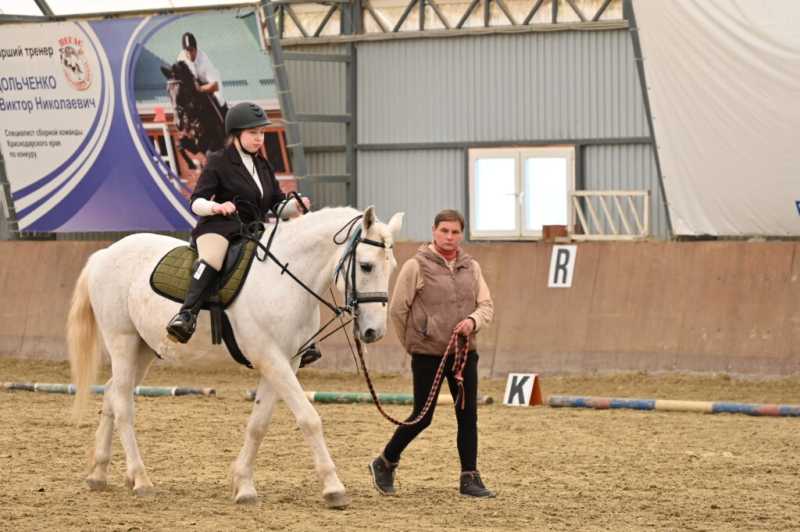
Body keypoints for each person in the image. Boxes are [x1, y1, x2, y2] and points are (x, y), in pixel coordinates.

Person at [368, 209, 495, 498]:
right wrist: (415, 343)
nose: (449, 237)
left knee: (467, 415)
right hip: (427, 355)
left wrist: (473, 321)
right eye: (444, 231)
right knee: (422, 416)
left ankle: (469, 477)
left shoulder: (471, 267)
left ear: (461, 234)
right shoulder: (416, 266)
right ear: (434, 231)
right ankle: (385, 461)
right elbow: (399, 310)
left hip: (464, 354)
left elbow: (486, 305)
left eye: (455, 232)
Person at [166, 101, 312, 349]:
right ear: (237, 134)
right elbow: (196, 201)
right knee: (212, 258)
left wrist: (294, 206)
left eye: (262, 133)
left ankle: (297, 334)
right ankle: (186, 315)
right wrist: (217, 207)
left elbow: (275, 205)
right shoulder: (218, 161)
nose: (259, 139)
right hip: (219, 227)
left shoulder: (263, 165)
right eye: (253, 133)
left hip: (254, 230)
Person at [176, 32, 227, 115]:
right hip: (194, 85)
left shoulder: (204, 61)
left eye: (191, 50)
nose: (189, 54)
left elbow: (215, 86)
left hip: (209, 84)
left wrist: (199, 89)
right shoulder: (181, 58)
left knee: (219, 100)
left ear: (196, 48)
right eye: (186, 51)